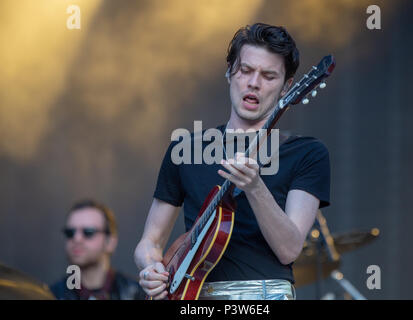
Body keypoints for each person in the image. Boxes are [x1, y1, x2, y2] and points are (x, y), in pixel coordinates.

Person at [134, 23, 330, 300]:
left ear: (288, 87)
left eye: (268, 75)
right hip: (194, 296)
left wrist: (255, 187)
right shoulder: (185, 148)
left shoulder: (307, 153)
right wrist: (150, 268)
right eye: (245, 70)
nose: (254, 83)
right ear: (229, 72)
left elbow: (289, 249)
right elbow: (149, 242)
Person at [51, 199, 146, 300]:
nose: (76, 239)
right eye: (70, 233)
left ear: (110, 242)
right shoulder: (51, 295)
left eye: (88, 232)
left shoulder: (138, 294)